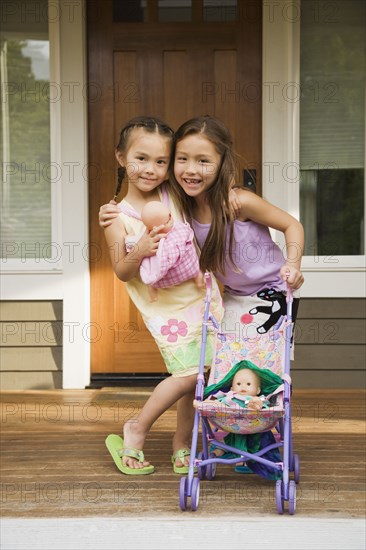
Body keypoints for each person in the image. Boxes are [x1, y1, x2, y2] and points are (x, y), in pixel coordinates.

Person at [102, 116, 224, 476]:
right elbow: (122, 271)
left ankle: (182, 443)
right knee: (187, 373)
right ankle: (136, 428)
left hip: (201, 295)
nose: (151, 170)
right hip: (164, 309)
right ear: (121, 157)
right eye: (141, 158)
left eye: (161, 162)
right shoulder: (116, 217)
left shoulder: (175, 196)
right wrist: (139, 248)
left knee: (199, 373)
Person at [136, 200, 204, 302]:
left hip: (187, 262)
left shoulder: (178, 227)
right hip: (166, 269)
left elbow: (187, 236)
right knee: (151, 275)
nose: (171, 221)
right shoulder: (151, 239)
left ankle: (198, 277)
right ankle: (152, 287)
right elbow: (136, 244)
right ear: (155, 228)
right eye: (167, 222)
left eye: (170, 216)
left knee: (196, 267)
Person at [193, 366, 272, 411]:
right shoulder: (231, 394)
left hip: (248, 410)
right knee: (216, 404)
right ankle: (201, 405)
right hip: (227, 410)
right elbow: (218, 395)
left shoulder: (258, 398)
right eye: (238, 384)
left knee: (258, 404)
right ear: (232, 388)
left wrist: (258, 402)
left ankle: (253, 408)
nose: (243, 386)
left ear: (258, 390)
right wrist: (212, 399)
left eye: (248, 384)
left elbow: (267, 403)